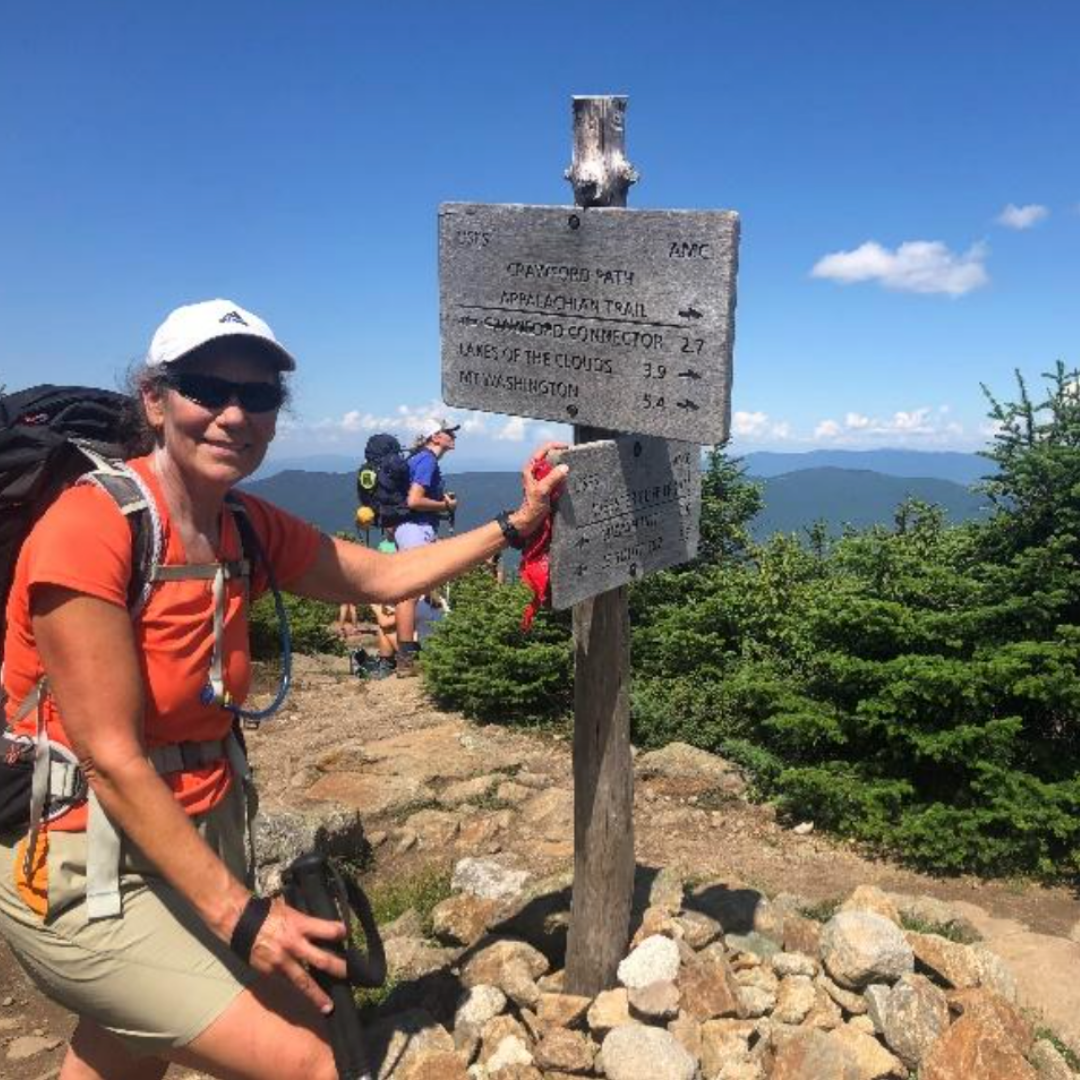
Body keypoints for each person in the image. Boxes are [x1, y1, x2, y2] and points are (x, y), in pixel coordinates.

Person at [0, 298, 567, 1080]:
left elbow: (387, 572)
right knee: (312, 1058)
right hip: (85, 864)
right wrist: (242, 917)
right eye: (207, 388)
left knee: (120, 1051)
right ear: (155, 401)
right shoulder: (90, 528)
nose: (234, 414)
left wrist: (516, 523)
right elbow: (109, 757)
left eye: (259, 396)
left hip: (196, 839)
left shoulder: (245, 524)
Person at [393, 423, 458, 677]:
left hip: (412, 529)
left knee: (416, 591)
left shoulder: (418, 459)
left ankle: (409, 656)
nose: (453, 436)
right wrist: (445, 504)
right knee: (409, 594)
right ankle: (405, 660)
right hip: (415, 528)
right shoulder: (427, 460)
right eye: (448, 432)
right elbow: (414, 500)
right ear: (435, 437)